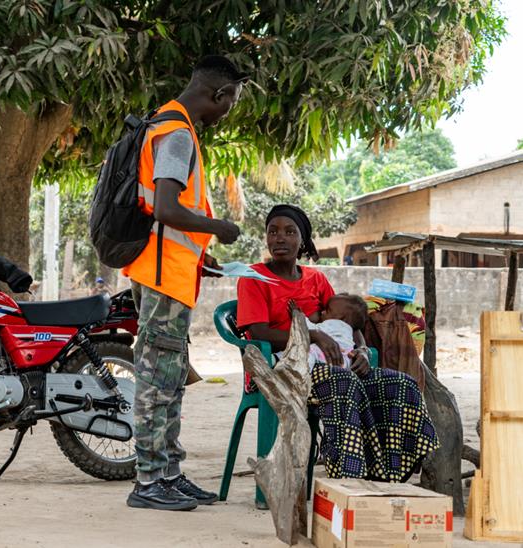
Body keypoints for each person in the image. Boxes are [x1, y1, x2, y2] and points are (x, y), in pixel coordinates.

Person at [237, 204, 438, 482]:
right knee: (342, 381)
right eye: (273, 232)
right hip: (281, 368)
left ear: (303, 240)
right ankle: (347, 479)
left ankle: (386, 475)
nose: (279, 238)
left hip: (332, 364)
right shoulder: (254, 278)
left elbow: (349, 321)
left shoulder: (316, 279)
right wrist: (314, 336)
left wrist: (363, 351)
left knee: (400, 384)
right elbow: (259, 333)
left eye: (289, 232)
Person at [122, 55, 244, 511]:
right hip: (162, 276)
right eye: (230, 102)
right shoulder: (175, 132)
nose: (227, 112)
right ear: (219, 94)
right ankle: (149, 482)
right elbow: (168, 208)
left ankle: (169, 474)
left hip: (168, 271)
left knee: (170, 380)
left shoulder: (171, 125)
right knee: (156, 382)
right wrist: (219, 229)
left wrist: (202, 254)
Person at [286, 293, 368, 371]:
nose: (322, 312)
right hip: (347, 360)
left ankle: (295, 372)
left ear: (341, 318)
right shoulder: (348, 330)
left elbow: (308, 328)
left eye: (327, 311)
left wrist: (297, 315)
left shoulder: (334, 324)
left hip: (325, 356)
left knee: (305, 352)